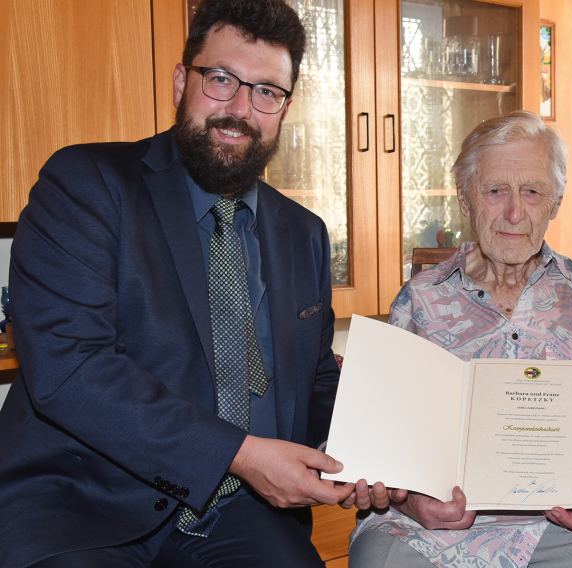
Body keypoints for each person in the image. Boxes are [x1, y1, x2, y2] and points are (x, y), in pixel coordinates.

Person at [0, 1, 386, 566]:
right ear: (182, 80)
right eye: (221, 79)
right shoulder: (86, 184)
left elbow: (316, 378)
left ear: (284, 108)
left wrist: (375, 454)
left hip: (239, 511)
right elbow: (69, 366)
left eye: (266, 92)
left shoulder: (303, 233)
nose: (239, 108)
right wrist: (241, 454)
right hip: (84, 507)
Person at [348, 110, 572, 568]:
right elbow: (382, 446)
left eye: (532, 192)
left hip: (569, 529)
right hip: (432, 533)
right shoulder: (420, 302)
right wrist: (411, 501)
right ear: (466, 199)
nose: (515, 212)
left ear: (554, 203)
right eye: (496, 191)